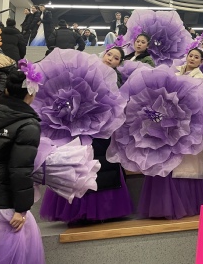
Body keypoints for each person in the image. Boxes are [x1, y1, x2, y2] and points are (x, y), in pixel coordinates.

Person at [40, 47, 133, 224]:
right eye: (109, 54)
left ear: (119, 63)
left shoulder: (117, 80)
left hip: (102, 128)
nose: (110, 58)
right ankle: (77, 210)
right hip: (75, 126)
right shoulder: (86, 70)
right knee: (78, 163)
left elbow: (118, 107)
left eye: (116, 58)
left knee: (101, 165)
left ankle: (102, 210)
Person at [0, 68, 45, 264]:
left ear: (6, 90)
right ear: (31, 94)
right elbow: (20, 170)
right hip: (2, 205)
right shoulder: (27, 125)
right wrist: (21, 209)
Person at [139, 46, 203, 219]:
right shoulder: (173, 73)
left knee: (183, 163)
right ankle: (163, 205)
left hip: (189, 126)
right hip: (167, 124)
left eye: (196, 57)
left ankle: (183, 205)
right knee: (165, 160)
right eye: (191, 55)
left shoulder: (202, 79)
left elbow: (201, 104)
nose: (192, 58)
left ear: (201, 62)